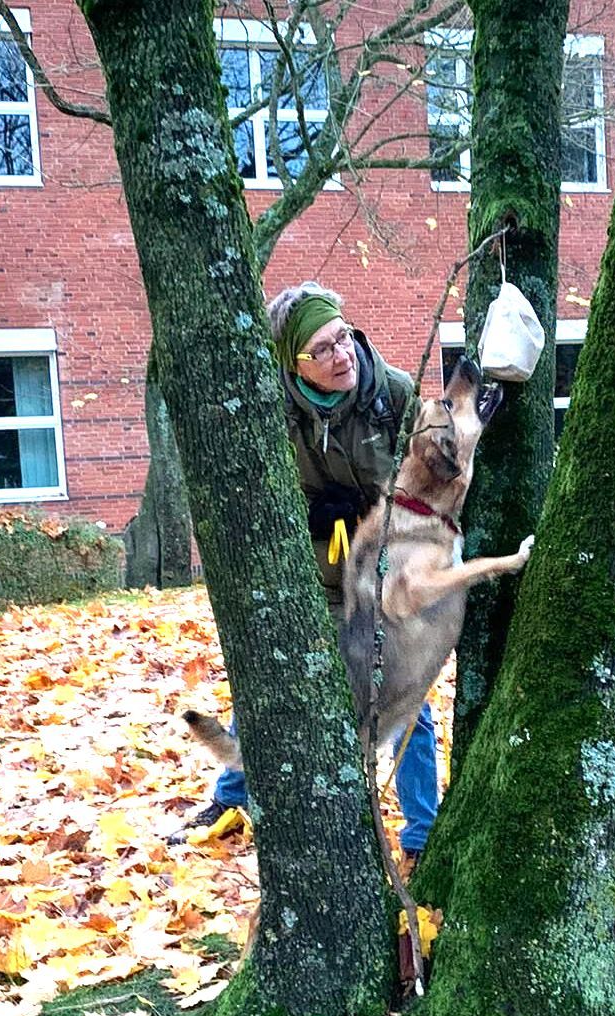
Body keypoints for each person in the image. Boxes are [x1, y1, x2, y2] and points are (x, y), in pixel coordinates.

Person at [184, 282, 439, 861]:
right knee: (279, 681)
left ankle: (423, 830)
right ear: (294, 363)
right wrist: (311, 512)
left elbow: (430, 481)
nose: (341, 354)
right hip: (317, 575)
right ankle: (232, 797)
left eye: (343, 337)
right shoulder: (276, 410)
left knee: (409, 700)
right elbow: (263, 497)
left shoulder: (393, 394)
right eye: (321, 350)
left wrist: (378, 507)